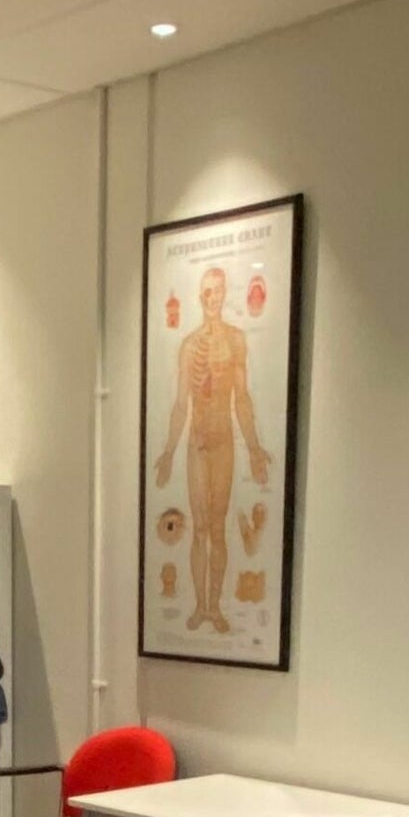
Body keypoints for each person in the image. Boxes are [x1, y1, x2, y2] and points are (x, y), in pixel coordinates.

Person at [151, 262, 269, 636]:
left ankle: (214, 606)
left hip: (223, 444)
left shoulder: (236, 341)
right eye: (206, 291)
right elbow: (181, 404)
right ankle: (200, 606)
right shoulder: (188, 347)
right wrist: (169, 451)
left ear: (224, 294)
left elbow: (242, 399)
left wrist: (253, 447)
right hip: (196, 446)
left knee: (217, 528)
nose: (212, 297)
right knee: (198, 527)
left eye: (217, 290)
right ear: (200, 297)